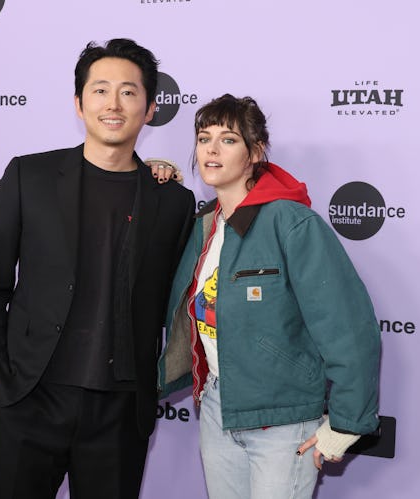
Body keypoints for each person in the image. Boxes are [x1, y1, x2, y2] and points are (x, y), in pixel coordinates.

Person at [0, 38, 195, 499]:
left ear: (150, 108)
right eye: (100, 90)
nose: (114, 104)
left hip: (119, 412)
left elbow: (176, 301)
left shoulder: (173, 200)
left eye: (129, 92)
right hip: (29, 397)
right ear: (79, 103)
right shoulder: (27, 177)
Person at [158, 94, 381, 499]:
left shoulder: (292, 223)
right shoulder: (204, 225)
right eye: (204, 137)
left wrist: (345, 425)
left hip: (283, 421)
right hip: (216, 409)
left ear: (256, 151)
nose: (211, 149)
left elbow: (347, 327)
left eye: (228, 140)